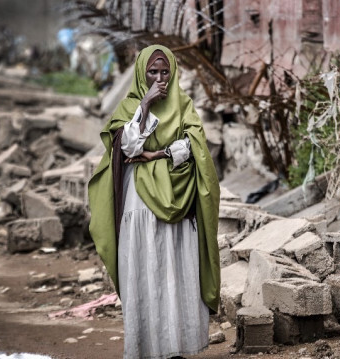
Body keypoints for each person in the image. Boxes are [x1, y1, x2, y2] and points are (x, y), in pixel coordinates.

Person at [88, 45, 221, 359]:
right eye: (152, 73)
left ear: (173, 73)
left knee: (177, 270)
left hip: (179, 198)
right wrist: (146, 105)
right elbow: (129, 147)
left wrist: (157, 154)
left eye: (164, 72)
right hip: (140, 204)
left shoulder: (184, 104)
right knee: (146, 269)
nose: (159, 79)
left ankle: (177, 348)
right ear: (141, 74)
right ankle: (147, 348)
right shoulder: (129, 106)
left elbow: (193, 146)